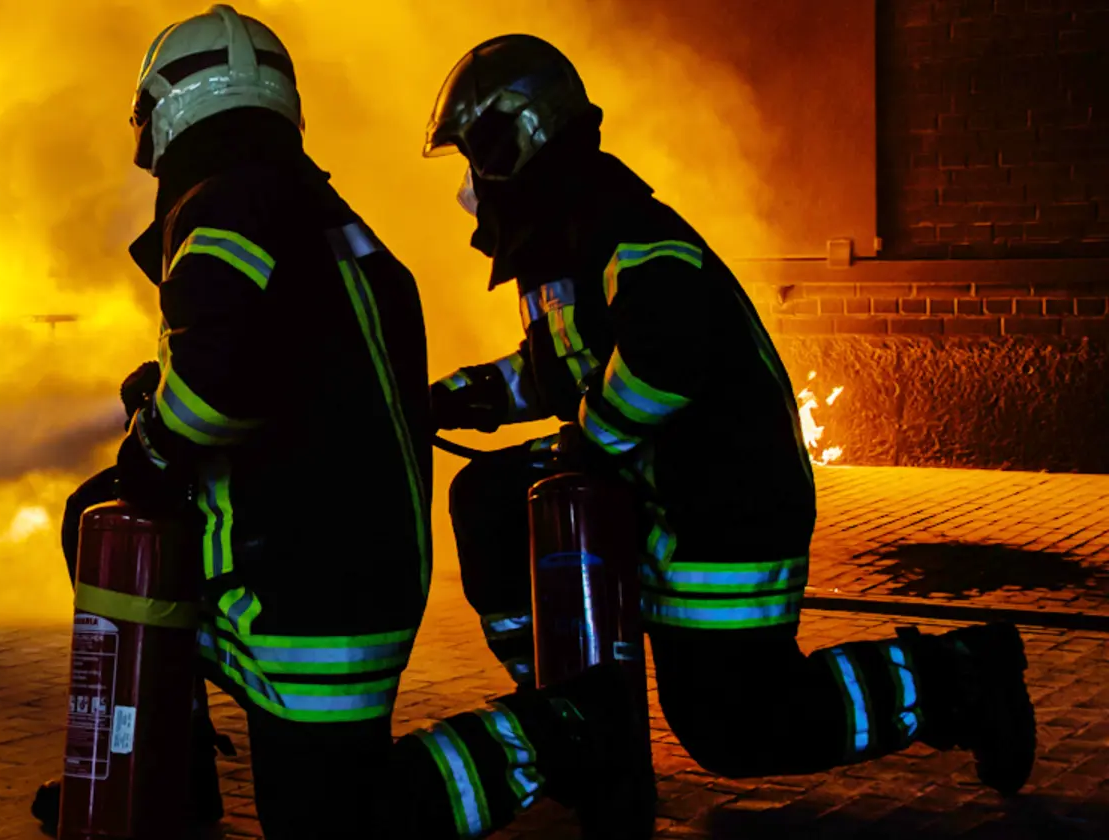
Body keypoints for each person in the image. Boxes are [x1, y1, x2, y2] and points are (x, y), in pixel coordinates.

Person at [408, 33, 1039, 838]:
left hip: (728, 503)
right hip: (659, 486)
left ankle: (963, 680)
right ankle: (567, 718)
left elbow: (664, 363)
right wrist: (450, 399)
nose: (470, 189)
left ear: (517, 140)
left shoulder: (626, 230)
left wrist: (589, 444)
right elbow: (563, 368)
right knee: (492, 498)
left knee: (737, 726)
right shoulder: (565, 243)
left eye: (474, 160)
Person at [32, 5, 436, 837]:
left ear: (167, 110)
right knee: (97, 517)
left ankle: (551, 737)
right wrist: (167, 393)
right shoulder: (315, 211)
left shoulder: (224, 204)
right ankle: (166, 777)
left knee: (337, 823)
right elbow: (283, 360)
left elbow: (222, 388)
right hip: (352, 568)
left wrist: (152, 447)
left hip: (301, 593)